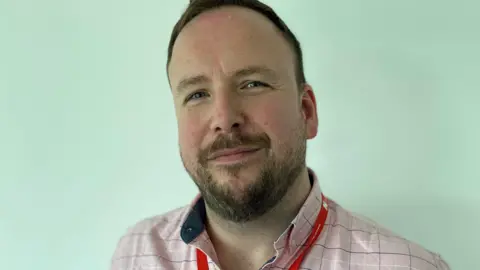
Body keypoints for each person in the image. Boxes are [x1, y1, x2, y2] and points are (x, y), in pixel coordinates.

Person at [110, 0, 450, 269]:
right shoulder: (136, 254)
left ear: (307, 112)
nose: (225, 119)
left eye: (253, 84)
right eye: (197, 94)